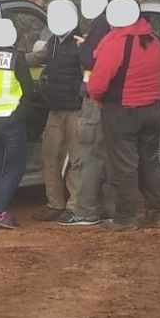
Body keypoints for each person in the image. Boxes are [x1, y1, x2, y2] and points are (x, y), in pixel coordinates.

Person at [86, 1, 160, 231]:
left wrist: (95, 95)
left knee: (124, 166)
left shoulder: (116, 44)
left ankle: (125, 217)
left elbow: (98, 83)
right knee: (149, 161)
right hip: (153, 108)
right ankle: (158, 212)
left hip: (123, 110)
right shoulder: (155, 40)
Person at [0, 23, 38, 229]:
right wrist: (21, 114)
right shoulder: (15, 58)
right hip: (10, 120)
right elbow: (28, 90)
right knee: (16, 167)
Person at [59, 11, 115, 227]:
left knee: (90, 154)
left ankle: (85, 211)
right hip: (118, 103)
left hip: (97, 99)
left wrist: (84, 47)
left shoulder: (102, 25)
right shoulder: (126, 32)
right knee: (112, 154)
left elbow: (90, 60)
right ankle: (110, 209)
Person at [28, 27, 83, 222]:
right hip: (55, 109)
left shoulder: (80, 43)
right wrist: (9, 57)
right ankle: (55, 203)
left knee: (77, 159)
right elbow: (34, 58)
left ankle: (74, 206)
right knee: (49, 157)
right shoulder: (52, 42)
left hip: (76, 110)